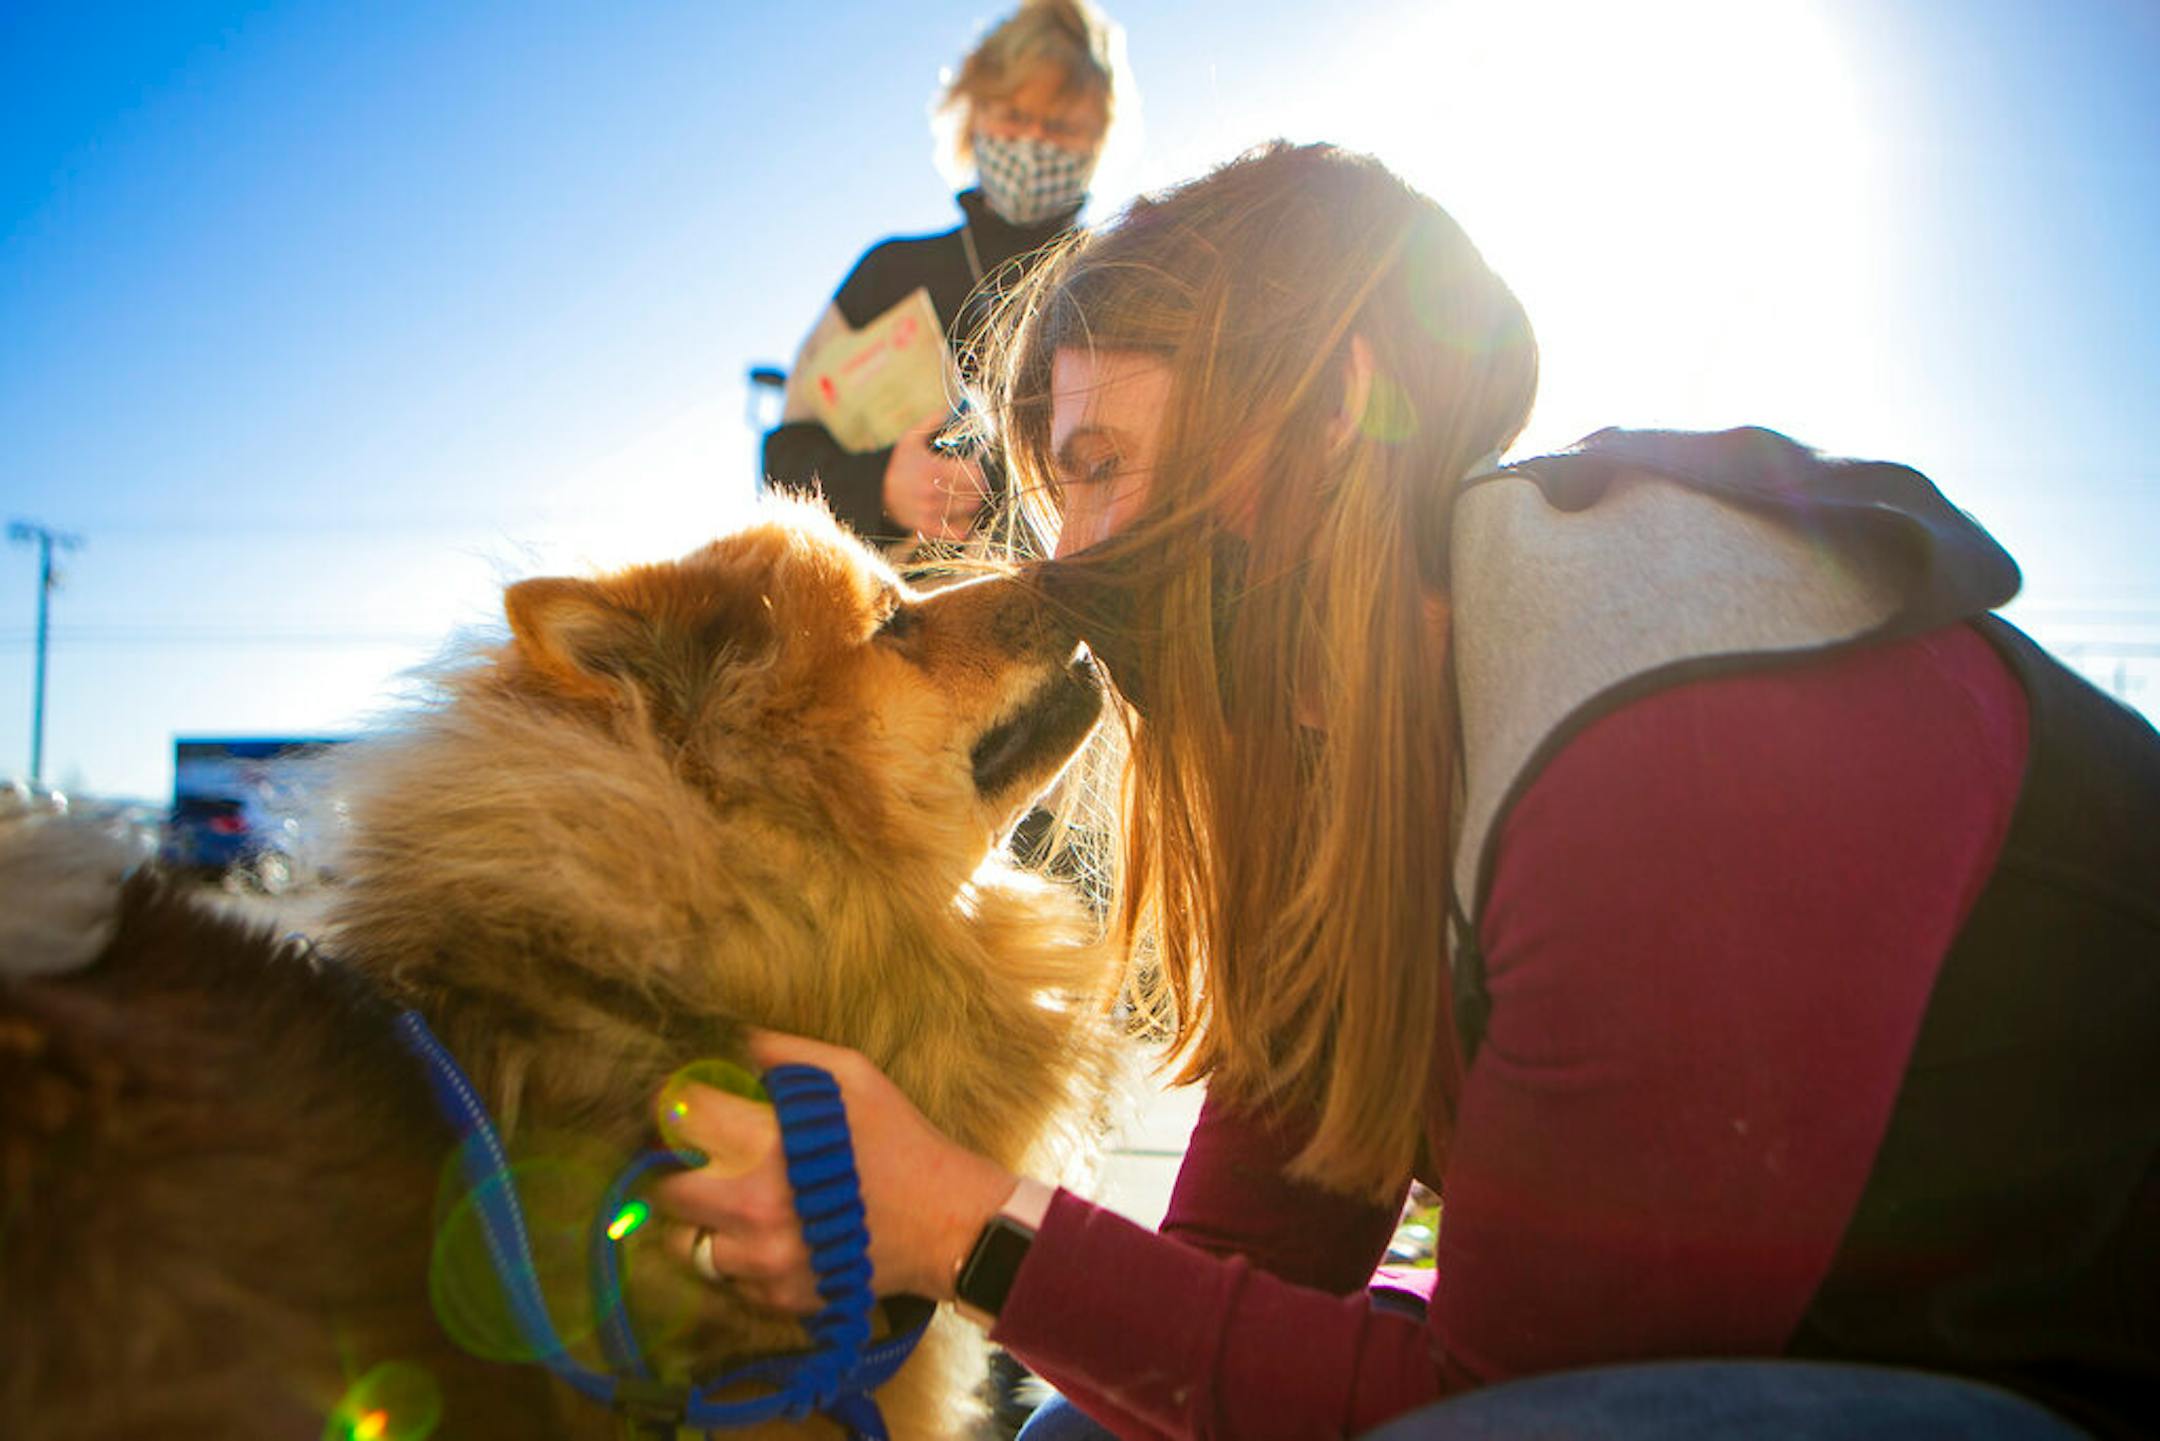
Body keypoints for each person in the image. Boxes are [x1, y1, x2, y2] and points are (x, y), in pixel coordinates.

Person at [659, 143, 2159, 1438]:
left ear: (1332, 405)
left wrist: (953, 1226)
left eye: (1105, 463)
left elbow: (1514, 1398)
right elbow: (1243, 1269)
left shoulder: (1660, 714)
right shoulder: (1341, 779)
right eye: (1064, 489)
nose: (1067, 559)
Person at [761, 0, 1129, 553]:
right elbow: (783, 467)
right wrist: (881, 487)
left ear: (1098, 138)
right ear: (973, 115)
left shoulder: (1124, 282)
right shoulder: (891, 276)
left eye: (1059, 126)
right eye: (1013, 116)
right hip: (902, 621)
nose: (1032, 141)